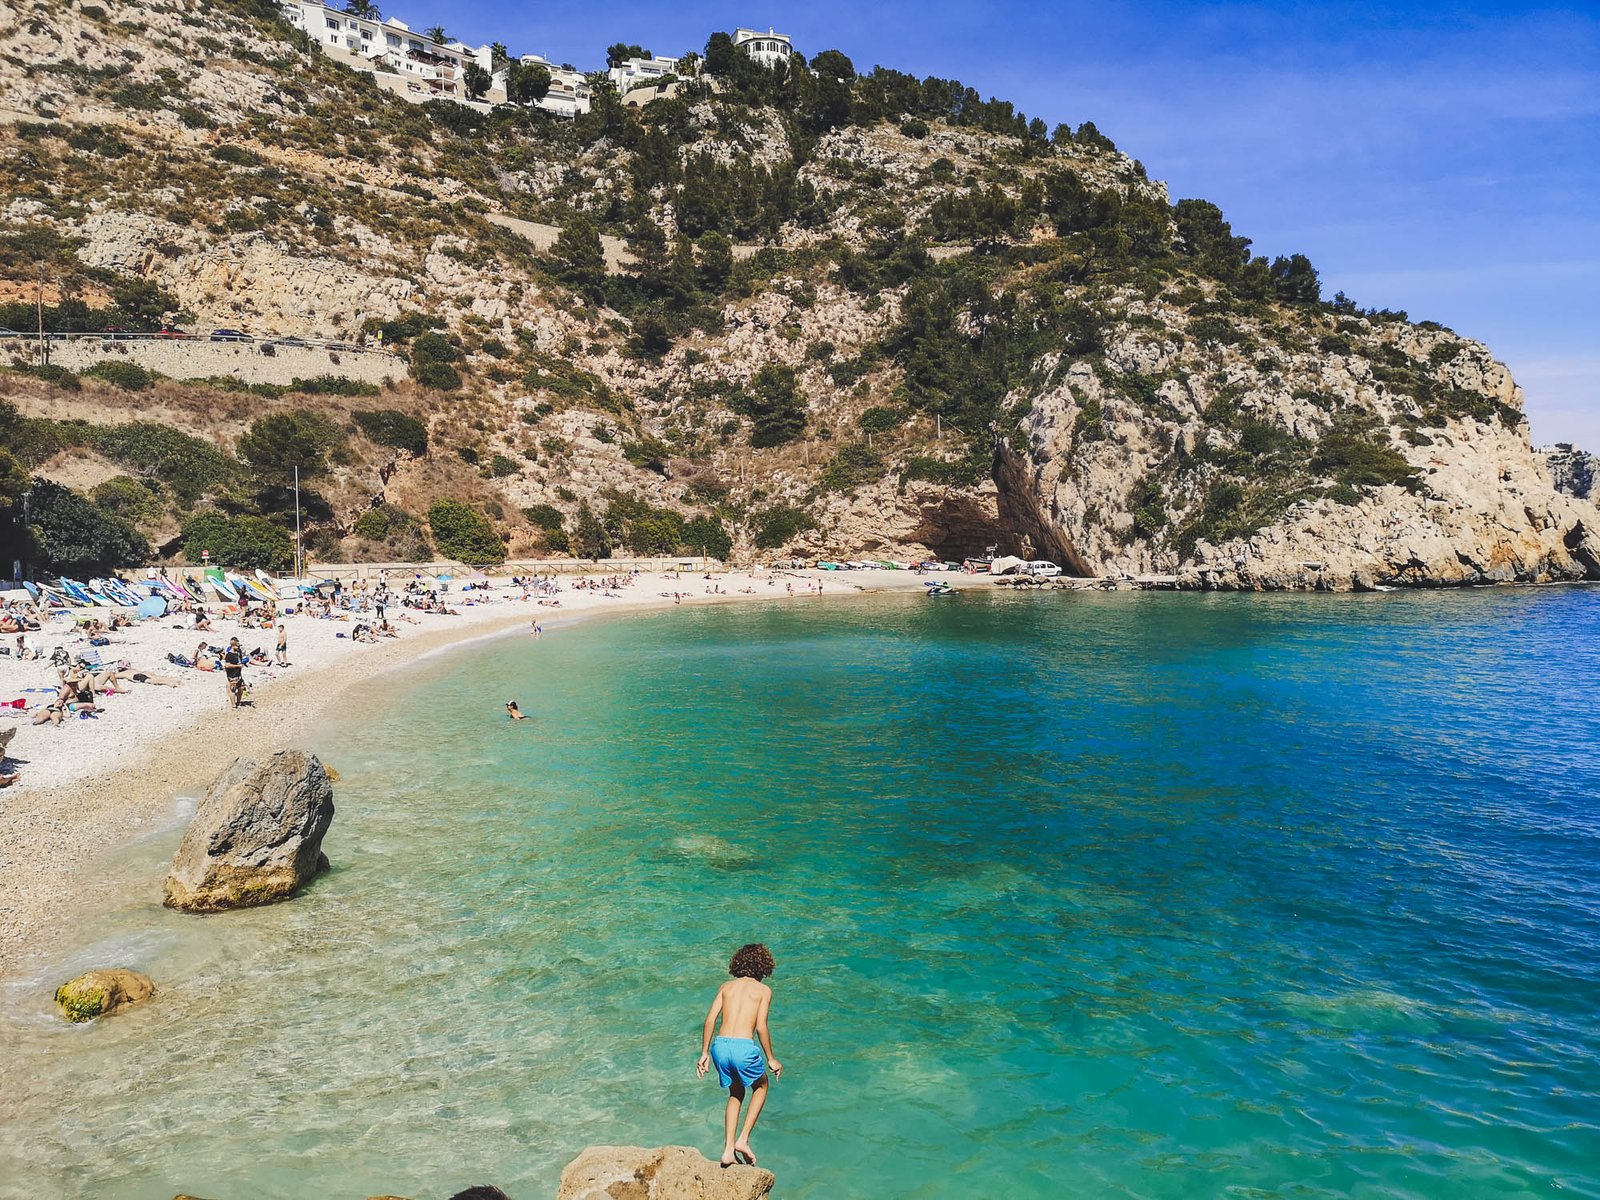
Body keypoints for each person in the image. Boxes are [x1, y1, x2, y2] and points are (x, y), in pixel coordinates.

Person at [697, 944, 783, 1168]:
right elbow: (761, 1027)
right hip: (743, 1047)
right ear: (764, 967)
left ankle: (727, 1151)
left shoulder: (726, 987)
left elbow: (710, 1020)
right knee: (761, 1086)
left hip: (720, 1046)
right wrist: (771, 1058)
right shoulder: (764, 991)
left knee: (736, 1092)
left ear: (738, 963)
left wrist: (704, 1053)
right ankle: (743, 1139)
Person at [223, 637, 245, 708]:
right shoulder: (229, 655)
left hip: (238, 674)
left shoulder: (238, 654)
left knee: (241, 688)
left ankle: (238, 702)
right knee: (233, 689)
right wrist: (237, 666)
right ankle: (233, 704)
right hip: (232, 675)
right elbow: (227, 665)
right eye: (237, 646)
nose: (238, 648)